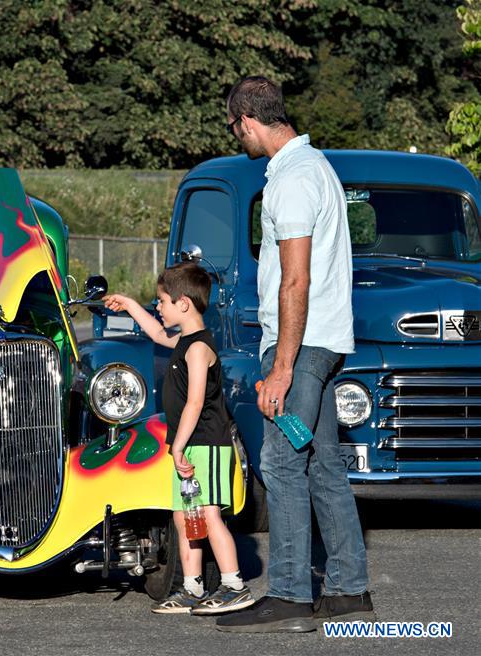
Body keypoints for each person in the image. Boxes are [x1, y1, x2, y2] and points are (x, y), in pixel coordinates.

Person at [215, 76, 373, 633]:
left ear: (248, 121)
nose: (239, 138)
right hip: (322, 344)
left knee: (282, 464)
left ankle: (288, 593)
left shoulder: (293, 180)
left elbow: (295, 280)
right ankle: (350, 591)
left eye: (236, 128)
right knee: (324, 464)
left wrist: (280, 367)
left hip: (301, 348)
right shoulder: (315, 168)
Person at [103, 263, 253, 616]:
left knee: (210, 515)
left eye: (162, 301)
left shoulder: (199, 348)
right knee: (185, 516)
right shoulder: (183, 340)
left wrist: (180, 445)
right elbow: (156, 333)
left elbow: (197, 401)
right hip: (188, 446)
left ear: (183, 304)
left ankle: (234, 586)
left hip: (207, 445)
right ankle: (192, 587)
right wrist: (129, 304)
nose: (159, 307)